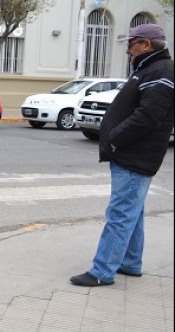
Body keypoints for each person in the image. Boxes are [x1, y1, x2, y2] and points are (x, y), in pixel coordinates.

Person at [70, 23, 174, 287]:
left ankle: (103, 271)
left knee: (121, 213)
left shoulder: (160, 71)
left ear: (146, 45)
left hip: (135, 154)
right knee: (133, 211)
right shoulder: (151, 69)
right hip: (134, 154)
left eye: (131, 44)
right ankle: (130, 262)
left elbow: (148, 116)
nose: (128, 50)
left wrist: (116, 138)